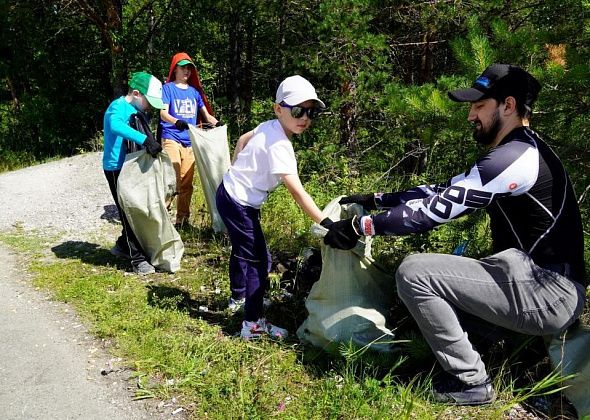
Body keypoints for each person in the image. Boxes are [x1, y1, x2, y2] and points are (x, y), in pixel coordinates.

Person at [323, 64, 586, 405]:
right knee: (430, 300)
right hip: (534, 283)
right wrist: (376, 200)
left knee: (415, 273)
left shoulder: (515, 157)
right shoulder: (518, 151)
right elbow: (444, 189)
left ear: (508, 106)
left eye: (479, 106)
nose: (470, 116)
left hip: (548, 293)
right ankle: (497, 351)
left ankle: (471, 382)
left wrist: (361, 227)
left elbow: (435, 210)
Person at [216, 75, 331, 339]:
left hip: (231, 193)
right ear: (279, 109)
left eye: (311, 112)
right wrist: (327, 224)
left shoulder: (269, 126)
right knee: (259, 261)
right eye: (298, 110)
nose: (305, 118)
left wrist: (235, 168)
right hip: (238, 203)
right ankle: (252, 324)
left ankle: (240, 298)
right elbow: (297, 192)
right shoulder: (281, 145)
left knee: (250, 252)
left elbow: (243, 138)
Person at [103, 71, 165, 275]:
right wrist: (145, 141)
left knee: (134, 207)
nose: (150, 106)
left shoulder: (136, 110)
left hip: (132, 165)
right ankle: (138, 260)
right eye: (149, 101)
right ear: (137, 93)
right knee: (128, 212)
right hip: (117, 168)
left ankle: (122, 245)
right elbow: (116, 125)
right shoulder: (118, 107)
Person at [159, 52, 219, 227]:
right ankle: (162, 217)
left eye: (189, 68)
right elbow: (163, 113)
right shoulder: (168, 89)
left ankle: (182, 220)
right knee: (173, 178)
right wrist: (176, 121)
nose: (186, 71)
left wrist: (219, 124)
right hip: (171, 136)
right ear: (175, 69)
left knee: (186, 182)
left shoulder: (194, 92)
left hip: (190, 140)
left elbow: (207, 116)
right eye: (182, 67)